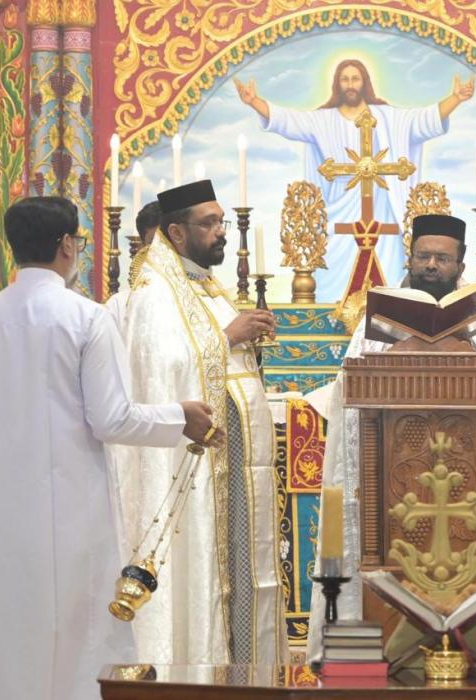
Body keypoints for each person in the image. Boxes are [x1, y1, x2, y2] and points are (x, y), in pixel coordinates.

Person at [0, 196, 220, 700]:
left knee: (5, 631)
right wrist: (178, 416)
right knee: (77, 640)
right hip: (71, 513)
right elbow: (111, 418)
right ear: (67, 245)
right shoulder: (86, 318)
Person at [305, 213, 476, 660]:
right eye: (423, 256)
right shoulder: (375, 322)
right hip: (396, 493)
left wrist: (467, 345)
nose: (430, 265)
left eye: (442, 258)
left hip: (472, 490)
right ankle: (380, 651)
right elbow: (352, 385)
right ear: (410, 258)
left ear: (460, 264)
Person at [109, 180, 289, 666]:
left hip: (232, 468)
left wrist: (240, 338)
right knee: (202, 571)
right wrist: (227, 336)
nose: (220, 232)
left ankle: (245, 677)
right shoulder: (154, 292)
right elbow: (160, 367)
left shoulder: (207, 286)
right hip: (191, 473)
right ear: (176, 232)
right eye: (208, 223)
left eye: (220, 222)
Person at [235, 59, 475, 300]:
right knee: (333, 275)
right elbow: (290, 121)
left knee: (390, 270)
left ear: (365, 82)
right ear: (337, 84)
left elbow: (423, 120)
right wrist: (255, 102)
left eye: (355, 78)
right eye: (345, 79)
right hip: (339, 211)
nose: (350, 84)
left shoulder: (388, 118)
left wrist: (455, 98)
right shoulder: (323, 120)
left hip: (383, 208)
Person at [106, 200, 161, 331]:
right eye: (153, 243)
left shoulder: (198, 300)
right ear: (142, 248)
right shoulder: (119, 305)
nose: (162, 251)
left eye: (167, 243)